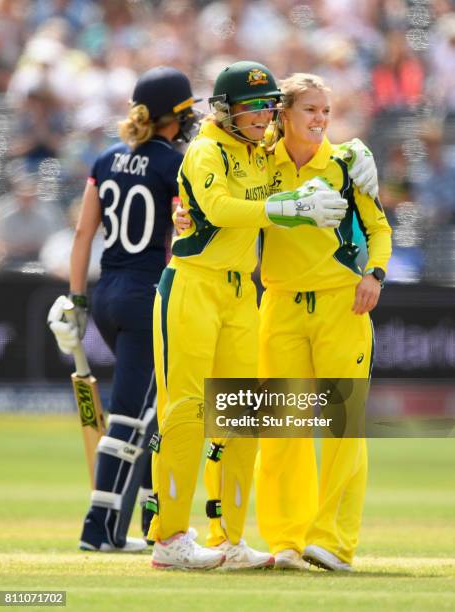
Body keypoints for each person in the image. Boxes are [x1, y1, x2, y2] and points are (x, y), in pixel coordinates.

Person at [148, 61, 349, 570]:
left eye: (268, 105)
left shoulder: (261, 152)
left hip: (241, 294)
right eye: (253, 105)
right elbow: (216, 206)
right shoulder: (205, 149)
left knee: (240, 416)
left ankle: (227, 539)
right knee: (187, 413)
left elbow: (318, 145)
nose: (263, 114)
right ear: (225, 108)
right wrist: (287, 210)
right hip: (193, 284)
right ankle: (169, 539)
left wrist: (358, 155)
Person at [47, 66, 200, 552]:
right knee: (132, 419)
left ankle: (132, 527)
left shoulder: (107, 157)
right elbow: (184, 234)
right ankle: (98, 528)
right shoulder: (173, 163)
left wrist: (75, 299)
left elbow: (82, 234)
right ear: (171, 116)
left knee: (147, 416)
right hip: (146, 297)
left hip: (107, 293)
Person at [255, 73, 392, 571]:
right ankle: (285, 541)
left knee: (342, 426)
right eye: (310, 109)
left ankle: (333, 542)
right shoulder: (260, 163)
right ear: (284, 113)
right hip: (281, 303)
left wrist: (374, 275)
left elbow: (378, 229)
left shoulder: (346, 164)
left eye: (325, 112)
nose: (319, 120)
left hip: (342, 304)